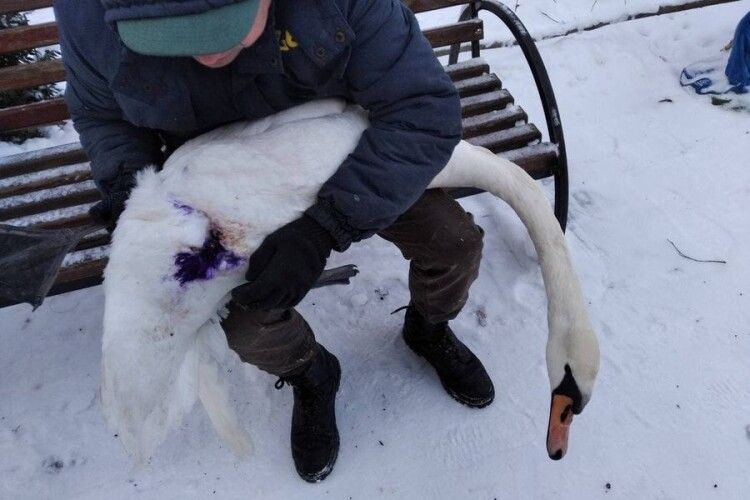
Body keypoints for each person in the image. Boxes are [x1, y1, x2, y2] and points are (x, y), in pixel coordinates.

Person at [55, 0, 493, 482]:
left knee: (453, 243)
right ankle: (312, 373)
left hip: (345, 160)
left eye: (220, 27)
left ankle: (428, 328)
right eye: (174, 36)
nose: (206, 54)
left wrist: (328, 224)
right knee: (248, 326)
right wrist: (127, 189)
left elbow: (422, 110)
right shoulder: (87, 18)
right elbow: (101, 113)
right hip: (221, 183)